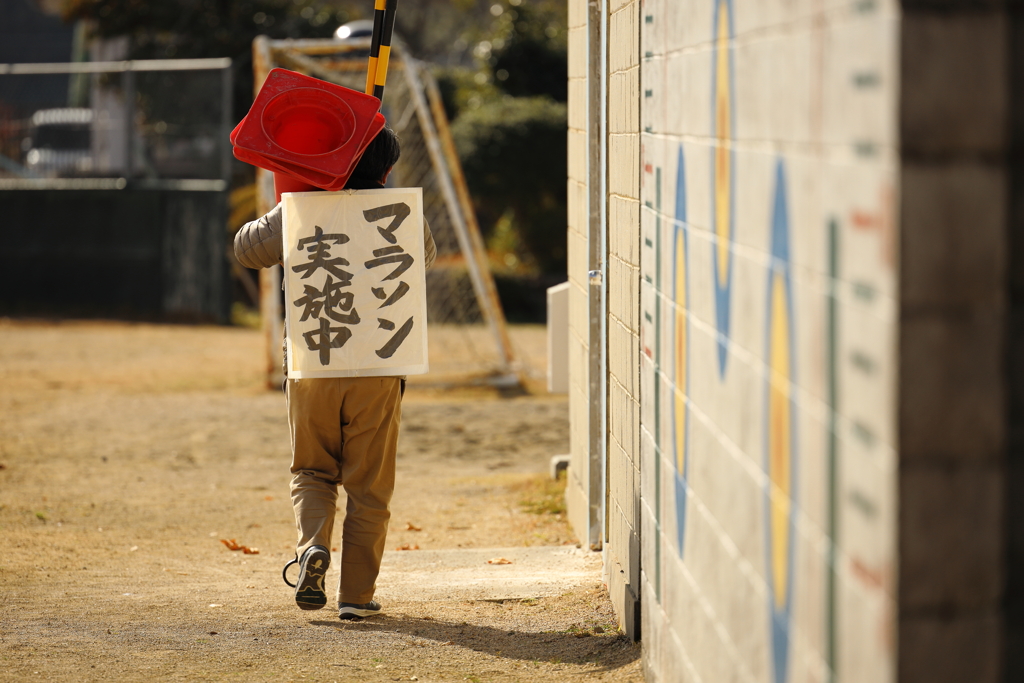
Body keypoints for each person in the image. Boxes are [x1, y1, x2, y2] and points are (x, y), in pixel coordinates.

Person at [233, 126, 436, 620]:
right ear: (387, 171)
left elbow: (245, 249)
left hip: (314, 362)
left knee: (312, 470)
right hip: (380, 363)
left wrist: (298, 195)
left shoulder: (303, 208)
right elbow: (422, 260)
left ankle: (311, 549)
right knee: (369, 485)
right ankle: (357, 596)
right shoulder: (402, 212)